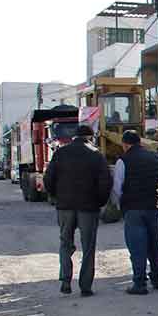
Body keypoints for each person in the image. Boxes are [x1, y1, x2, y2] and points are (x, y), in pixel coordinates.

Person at [44, 125, 112, 297]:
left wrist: (55, 197)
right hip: (89, 208)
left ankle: (66, 281)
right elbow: (105, 183)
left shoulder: (60, 153)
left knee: (65, 243)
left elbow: (48, 178)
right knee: (88, 246)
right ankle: (86, 286)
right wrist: (100, 202)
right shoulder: (96, 155)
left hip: (65, 206)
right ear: (90, 137)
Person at [112, 130, 158, 295]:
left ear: (125, 144)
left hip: (133, 208)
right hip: (154, 207)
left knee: (137, 247)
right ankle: (157, 278)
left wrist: (119, 206)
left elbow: (117, 188)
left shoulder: (123, 161)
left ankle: (140, 283)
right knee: (154, 243)